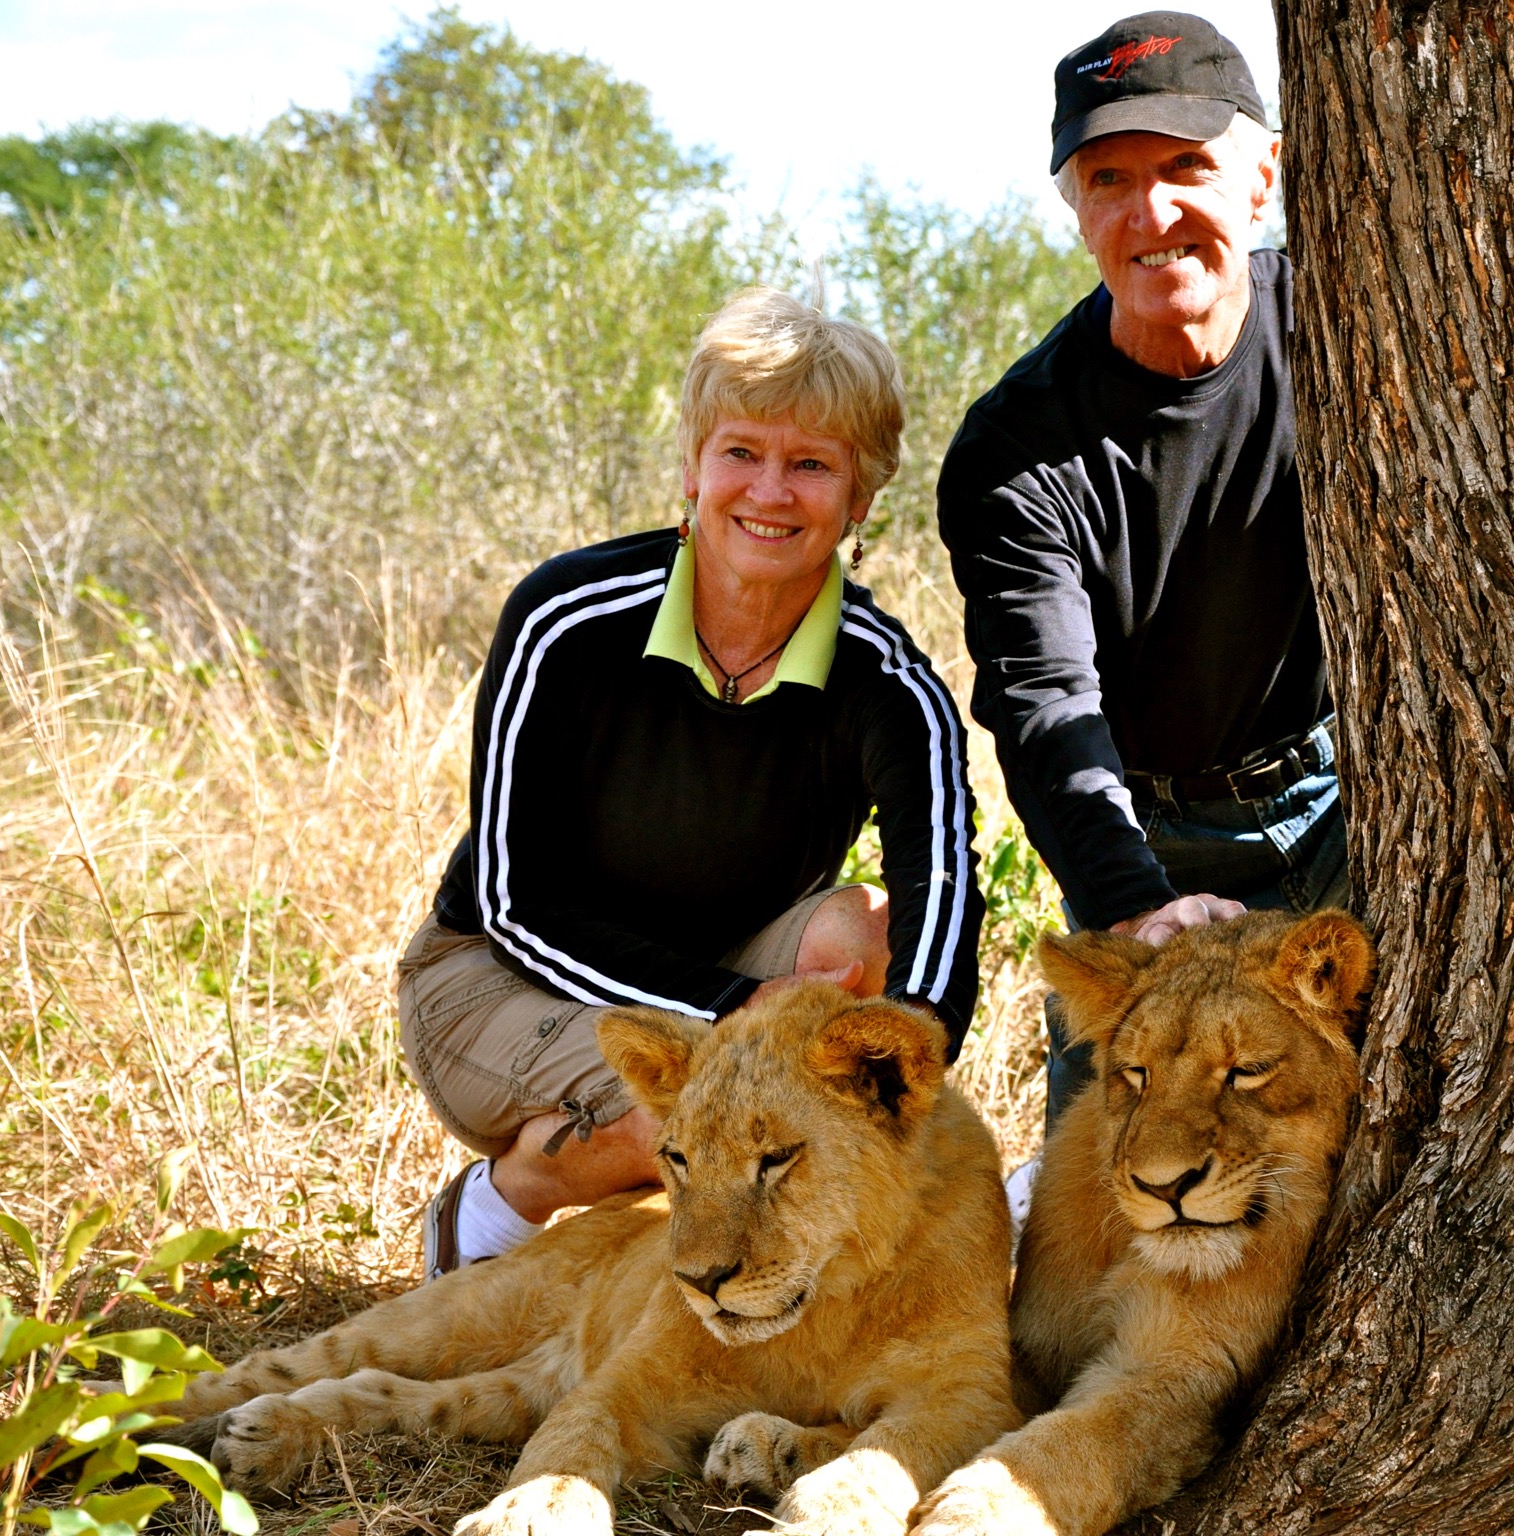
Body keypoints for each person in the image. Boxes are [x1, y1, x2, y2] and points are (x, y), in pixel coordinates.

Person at [402, 287, 983, 1278]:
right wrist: (728, 1011)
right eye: (742, 454)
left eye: (811, 465)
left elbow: (943, 897)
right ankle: (493, 1215)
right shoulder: (568, 618)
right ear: (691, 466)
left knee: (866, 935)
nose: (769, 492)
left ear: (860, 498)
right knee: (693, 1096)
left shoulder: (888, 680)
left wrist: (897, 1082)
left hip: (725, 976)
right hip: (489, 978)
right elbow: (510, 901)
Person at [936, 11, 1346, 1131]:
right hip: (1151, 847)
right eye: (1109, 178)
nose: (1151, 213)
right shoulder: (1012, 450)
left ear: (1261, 174)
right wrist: (1132, 905)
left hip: (1362, 807)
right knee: (1109, 1215)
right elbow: (1042, 704)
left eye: (1186, 168)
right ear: (1075, 209)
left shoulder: (1360, 328)